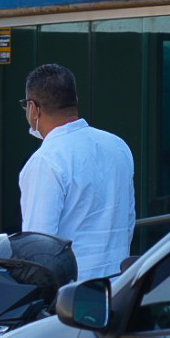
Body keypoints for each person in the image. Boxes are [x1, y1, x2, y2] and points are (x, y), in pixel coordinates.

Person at [18, 63, 136, 279]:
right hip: (118, 284)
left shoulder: (45, 161)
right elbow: (128, 222)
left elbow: (38, 248)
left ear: (33, 109)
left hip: (72, 291)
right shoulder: (118, 146)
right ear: (75, 101)